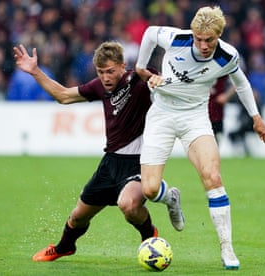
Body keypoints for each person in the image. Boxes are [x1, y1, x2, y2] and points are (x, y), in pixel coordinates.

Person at [13, 41, 181, 262]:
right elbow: (63, 96)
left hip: (139, 162)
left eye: (111, 71)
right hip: (110, 163)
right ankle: (65, 247)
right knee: (77, 217)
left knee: (128, 205)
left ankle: (150, 238)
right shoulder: (100, 86)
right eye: (101, 72)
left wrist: (159, 79)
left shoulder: (139, 80)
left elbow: (168, 84)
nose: (106, 77)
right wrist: (35, 72)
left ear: (123, 66)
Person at [135, 6, 265, 270]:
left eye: (209, 40)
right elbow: (151, 33)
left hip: (195, 118)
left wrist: (255, 117)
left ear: (219, 35)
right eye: (199, 39)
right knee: (150, 190)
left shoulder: (227, 56)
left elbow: (241, 83)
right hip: (161, 115)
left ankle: (227, 248)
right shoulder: (178, 39)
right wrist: (143, 68)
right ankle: (171, 198)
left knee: (213, 177)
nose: (203, 45)